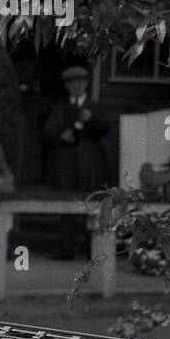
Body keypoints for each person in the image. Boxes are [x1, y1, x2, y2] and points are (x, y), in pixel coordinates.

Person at [42, 65, 111, 257]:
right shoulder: (60, 109)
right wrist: (60, 136)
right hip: (65, 165)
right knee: (66, 204)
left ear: (87, 84)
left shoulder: (95, 106)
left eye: (80, 82)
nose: (76, 86)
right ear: (66, 86)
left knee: (91, 204)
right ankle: (66, 249)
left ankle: (92, 250)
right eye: (72, 83)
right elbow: (47, 134)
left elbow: (105, 128)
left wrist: (92, 119)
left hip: (90, 163)